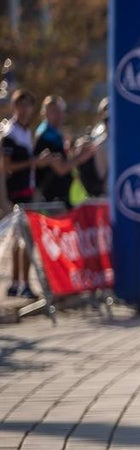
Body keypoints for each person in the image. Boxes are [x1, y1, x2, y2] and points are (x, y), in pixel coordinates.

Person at [2, 90, 43, 298]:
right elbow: (6, 166)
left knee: (22, 239)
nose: (26, 110)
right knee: (24, 239)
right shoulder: (11, 133)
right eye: (22, 105)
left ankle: (16, 283)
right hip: (17, 193)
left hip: (27, 190)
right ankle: (22, 283)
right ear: (14, 107)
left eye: (29, 105)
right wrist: (33, 162)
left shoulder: (26, 131)